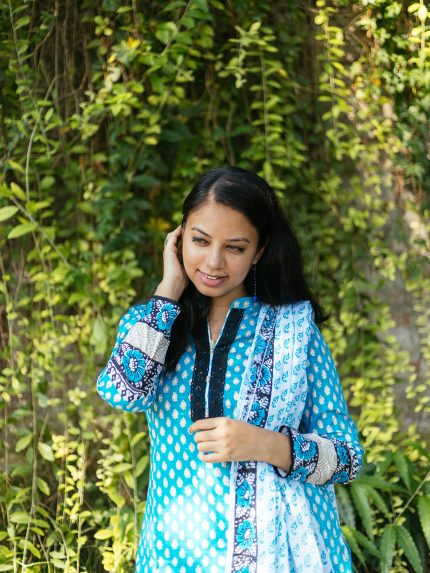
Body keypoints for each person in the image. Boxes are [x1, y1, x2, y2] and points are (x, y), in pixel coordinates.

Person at [96, 166, 364, 573]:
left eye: (235, 248)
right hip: (173, 556)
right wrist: (169, 290)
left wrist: (266, 445)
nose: (213, 262)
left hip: (277, 557)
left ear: (259, 250)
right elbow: (123, 394)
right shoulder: (153, 324)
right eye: (200, 240)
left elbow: (347, 458)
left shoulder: (293, 331)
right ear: (178, 237)